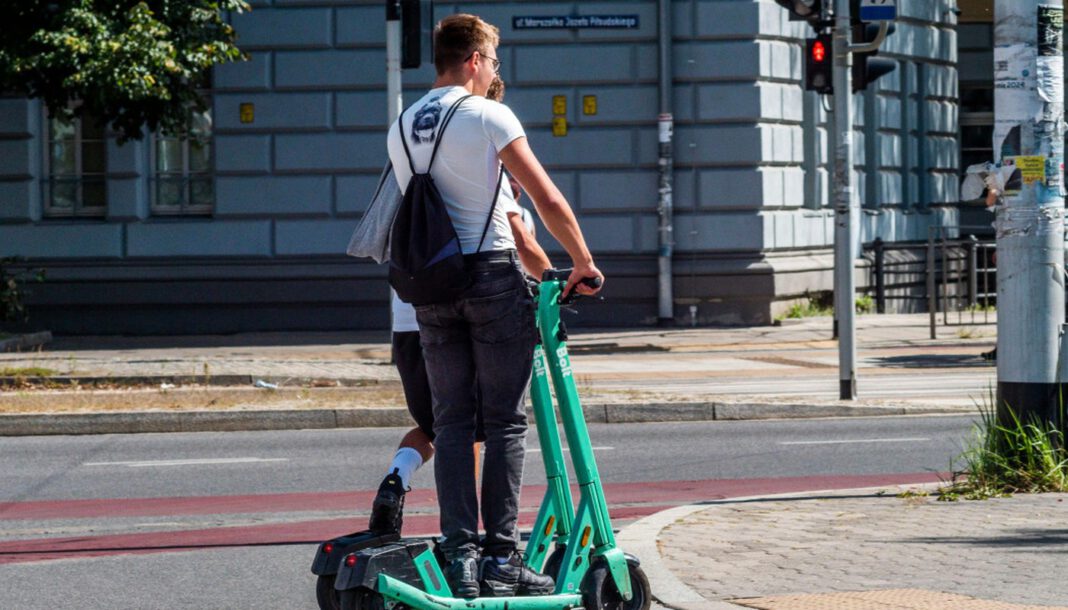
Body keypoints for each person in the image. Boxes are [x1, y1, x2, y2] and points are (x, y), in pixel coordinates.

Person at [386, 13, 603, 599]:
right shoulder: (488, 114)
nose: (493, 73)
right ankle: (502, 561)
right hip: (490, 277)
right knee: (505, 422)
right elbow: (543, 195)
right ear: (476, 59)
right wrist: (581, 260)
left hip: (432, 288)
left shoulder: (404, 123)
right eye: (493, 63)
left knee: (453, 421)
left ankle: (460, 559)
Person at [368, 75, 551, 537]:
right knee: (493, 424)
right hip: (479, 292)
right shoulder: (487, 178)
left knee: (442, 424)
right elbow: (524, 238)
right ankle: (485, 542)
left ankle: (404, 485)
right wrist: (556, 282)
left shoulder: (412, 161)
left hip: (413, 316)